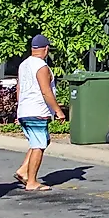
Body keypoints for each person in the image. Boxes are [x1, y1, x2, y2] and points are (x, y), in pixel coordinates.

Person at [14, 34, 66, 192]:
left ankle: (23, 170)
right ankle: (32, 181)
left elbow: (19, 88)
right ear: (47, 49)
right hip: (37, 110)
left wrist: (19, 109)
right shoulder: (42, 67)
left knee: (42, 140)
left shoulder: (23, 65)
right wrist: (58, 111)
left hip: (25, 110)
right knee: (39, 145)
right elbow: (46, 91)